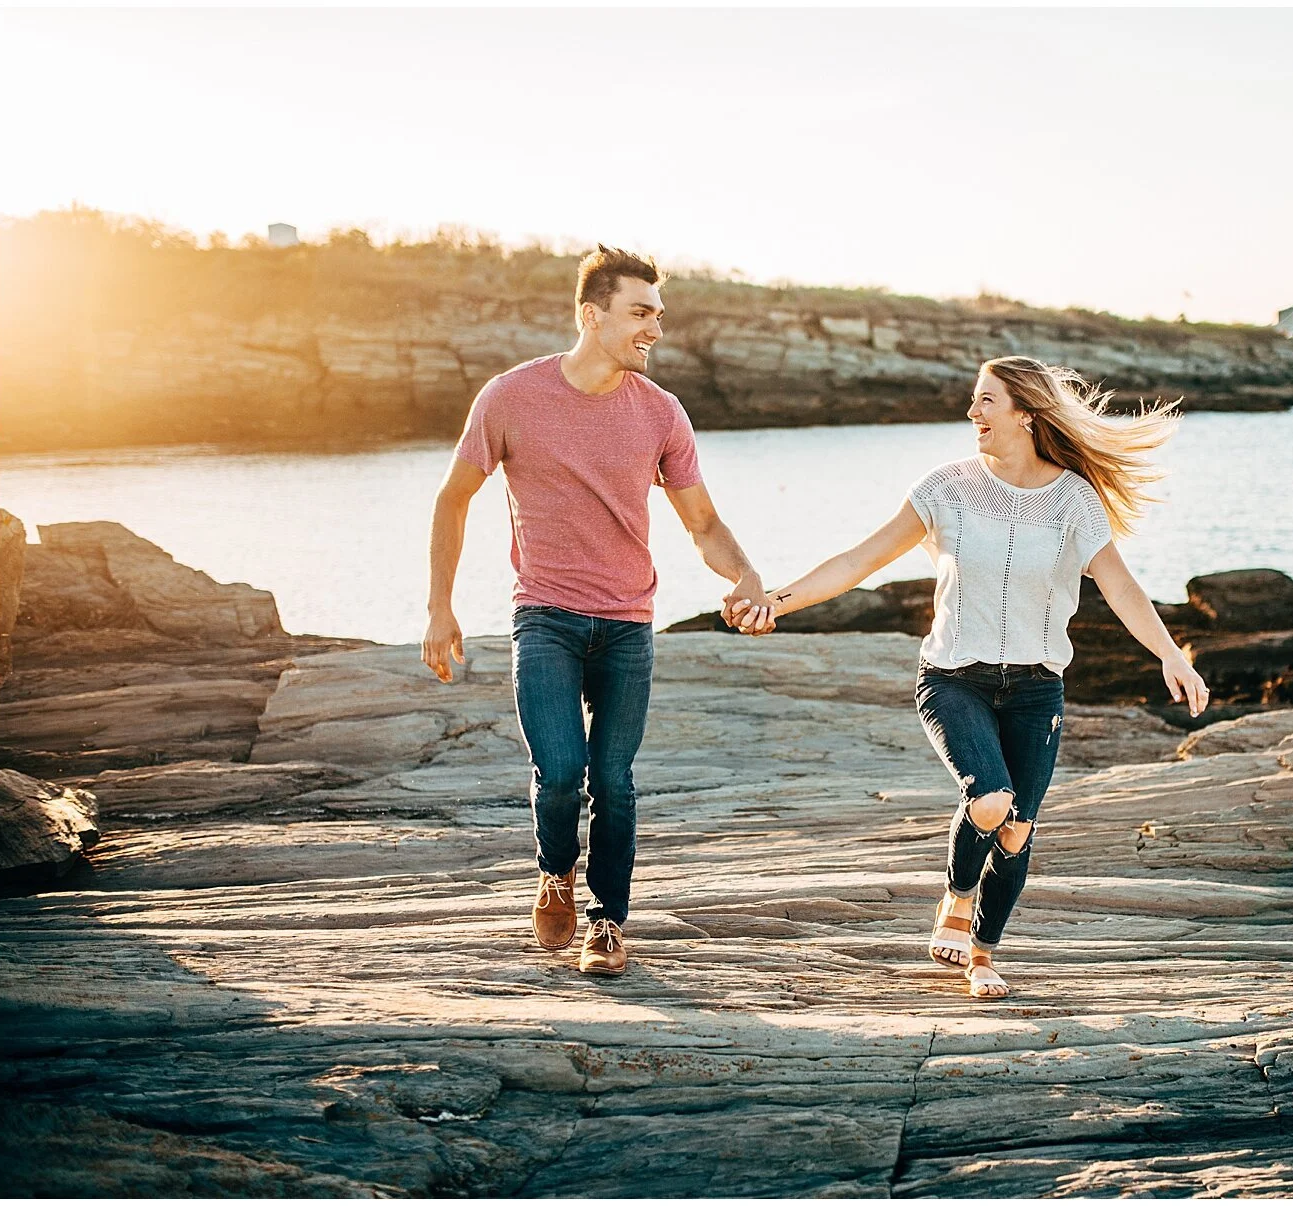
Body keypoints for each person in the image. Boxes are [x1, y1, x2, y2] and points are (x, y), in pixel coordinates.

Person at [730, 356, 1208, 998]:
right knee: (989, 801)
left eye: (987, 401)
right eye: (975, 400)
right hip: (953, 678)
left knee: (1017, 828)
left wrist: (1170, 653)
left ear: (1026, 415)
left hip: (1038, 688)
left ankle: (983, 955)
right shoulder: (946, 488)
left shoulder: (1074, 499)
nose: (972, 412)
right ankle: (956, 897)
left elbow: (1118, 584)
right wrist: (776, 604)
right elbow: (860, 559)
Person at [421, 244, 766, 977]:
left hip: (626, 626)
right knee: (558, 772)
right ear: (592, 314)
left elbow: (701, 523)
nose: (655, 330)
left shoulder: (661, 413)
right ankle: (555, 875)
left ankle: (607, 923)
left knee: (614, 781)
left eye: (659, 316)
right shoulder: (510, 397)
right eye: (640, 314)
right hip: (542, 615)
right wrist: (438, 608)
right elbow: (454, 498)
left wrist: (745, 575)